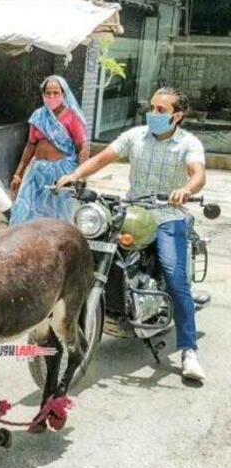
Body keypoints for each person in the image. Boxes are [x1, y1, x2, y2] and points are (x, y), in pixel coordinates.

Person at [57, 87, 207, 382]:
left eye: (161, 110)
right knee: (90, 246)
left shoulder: (188, 143)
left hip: (168, 214)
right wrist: (76, 175)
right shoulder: (136, 136)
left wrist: (186, 190)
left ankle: (189, 350)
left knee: (175, 279)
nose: (153, 113)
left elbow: (197, 174)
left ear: (177, 116)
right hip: (133, 208)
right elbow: (103, 158)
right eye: (152, 107)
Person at [9, 75, 90, 225]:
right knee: (26, 214)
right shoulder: (39, 116)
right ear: (43, 95)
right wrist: (18, 174)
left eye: (56, 93)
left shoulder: (72, 118)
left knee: (59, 219)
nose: (52, 96)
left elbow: (83, 148)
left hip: (61, 175)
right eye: (48, 93)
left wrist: (80, 177)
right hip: (37, 173)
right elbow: (30, 145)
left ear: (63, 94)